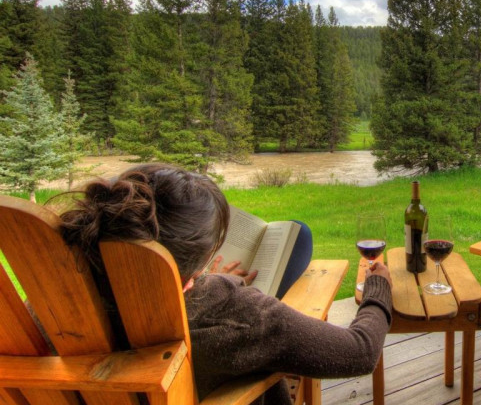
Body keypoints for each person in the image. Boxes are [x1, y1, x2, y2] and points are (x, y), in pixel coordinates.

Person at [58, 163, 392, 404]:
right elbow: (360, 352)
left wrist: (212, 281)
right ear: (198, 261)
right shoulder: (239, 314)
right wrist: (377, 289)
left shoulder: (60, 303)